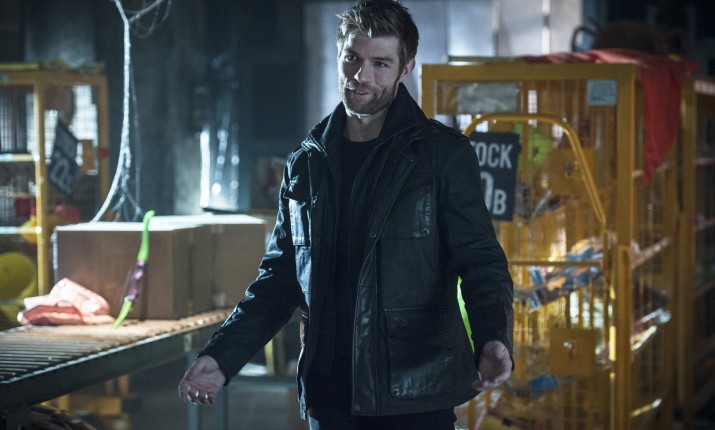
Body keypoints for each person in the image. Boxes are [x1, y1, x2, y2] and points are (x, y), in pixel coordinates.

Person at [178, 1, 514, 428]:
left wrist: (493, 337)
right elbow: (279, 279)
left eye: (380, 63)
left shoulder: (440, 156)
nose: (361, 75)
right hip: (330, 398)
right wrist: (221, 357)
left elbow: (482, 262)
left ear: (406, 68)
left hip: (414, 397)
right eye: (352, 58)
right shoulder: (306, 163)